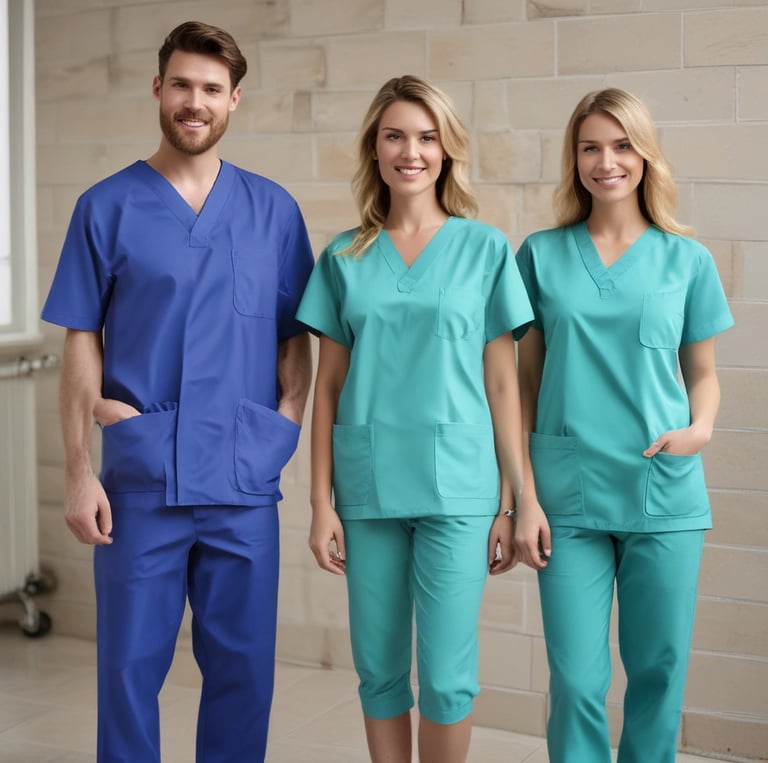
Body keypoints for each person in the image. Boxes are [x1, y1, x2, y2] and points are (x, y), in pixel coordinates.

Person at [41, 21, 314, 763]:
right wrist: (77, 468)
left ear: (235, 101)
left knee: (243, 671)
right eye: (183, 85)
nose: (196, 102)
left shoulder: (274, 212)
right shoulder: (107, 206)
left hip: (243, 474)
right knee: (129, 671)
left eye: (213, 90)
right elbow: (78, 337)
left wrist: (283, 426)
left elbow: (297, 337)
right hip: (140, 476)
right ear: (159, 89)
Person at [295, 75, 533, 763]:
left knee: (450, 677)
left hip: (460, 488)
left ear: (447, 150)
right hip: (368, 488)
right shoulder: (344, 255)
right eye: (396, 134)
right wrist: (319, 503)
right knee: (378, 668)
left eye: (428, 137)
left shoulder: (484, 249)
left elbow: (502, 382)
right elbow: (329, 386)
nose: (412, 151)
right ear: (375, 147)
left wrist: (513, 498)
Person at [513, 87, 734, 763]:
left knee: (658, 673)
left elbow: (703, 371)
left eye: (621, 145)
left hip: (660, 484)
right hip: (567, 493)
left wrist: (699, 429)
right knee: (576, 680)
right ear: (573, 158)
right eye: (590, 147)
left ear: (645, 155)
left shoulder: (685, 259)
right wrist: (520, 494)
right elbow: (522, 383)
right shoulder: (541, 255)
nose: (606, 161)